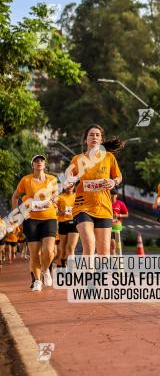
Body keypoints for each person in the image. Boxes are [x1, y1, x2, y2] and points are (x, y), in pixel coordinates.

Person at [67, 125, 123, 259]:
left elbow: (119, 177)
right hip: (83, 207)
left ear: (101, 139)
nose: (94, 137)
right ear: (86, 139)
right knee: (89, 245)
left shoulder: (109, 157)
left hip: (103, 207)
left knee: (104, 252)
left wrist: (113, 182)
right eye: (91, 135)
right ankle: (90, 279)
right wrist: (69, 182)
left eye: (97, 135)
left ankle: (100, 278)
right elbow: (69, 178)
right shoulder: (77, 159)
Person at [11, 155, 59, 292]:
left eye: (41, 161)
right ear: (32, 165)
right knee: (34, 253)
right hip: (30, 220)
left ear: (45, 164)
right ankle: (37, 280)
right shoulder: (26, 180)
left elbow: (56, 196)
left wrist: (53, 200)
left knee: (49, 252)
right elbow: (15, 197)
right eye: (36, 161)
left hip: (49, 217)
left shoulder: (52, 179)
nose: (39, 163)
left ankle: (45, 270)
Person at [55, 181, 78, 267]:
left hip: (74, 222)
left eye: (72, 184)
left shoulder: (77, 196)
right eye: (67, 184)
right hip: (63, 223)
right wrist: (59, 212)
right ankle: (62, 264)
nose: (70, 186)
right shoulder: (60, 197)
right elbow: (54, 210)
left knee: (70, 247)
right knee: (62, 248)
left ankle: (71, 270)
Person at [110, 191, 128, 255]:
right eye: (111, 196)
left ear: (116, 196)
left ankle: (118, 257)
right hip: (108, 225)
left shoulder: (120, 203)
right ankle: (114, 259)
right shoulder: (106, 203)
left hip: (117, 225)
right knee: (112, 243)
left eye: (114, 196)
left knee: (117, 243)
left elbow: (126, 214)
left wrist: (119, 215)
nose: (113, 198)